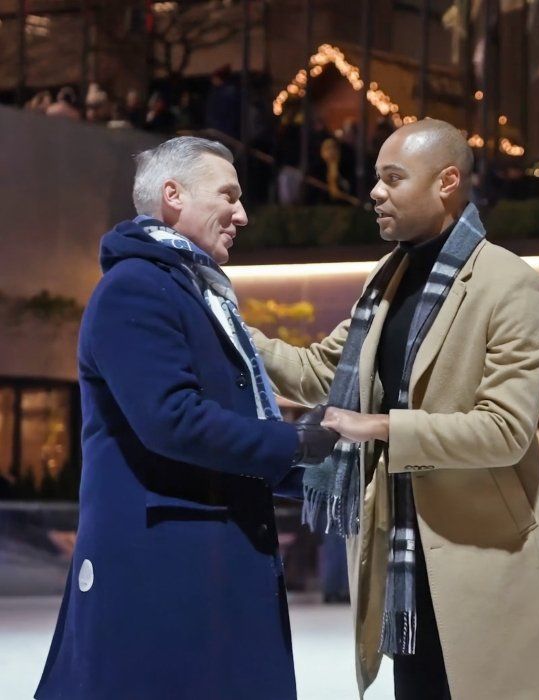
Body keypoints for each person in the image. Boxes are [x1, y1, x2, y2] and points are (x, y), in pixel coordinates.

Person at [249, 119, 539, 699]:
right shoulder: (386, 280)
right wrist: (233, 331)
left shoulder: (510, 283)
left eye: (393, 178)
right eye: (377, 179)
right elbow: (320, 372)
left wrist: (376, 427)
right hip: (400, 554)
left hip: (482, 554)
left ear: (447, 181)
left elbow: (505, 430)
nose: (375, 192)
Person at [34, 136, 339, 699]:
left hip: (198, 558)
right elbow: (172, 420)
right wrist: (294, 443)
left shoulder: (191, 292)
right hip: (164, 569)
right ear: (173, 195)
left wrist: (316, 467)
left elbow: (218, 422)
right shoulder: (135, 289)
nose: (242, 214)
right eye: (229, 195)